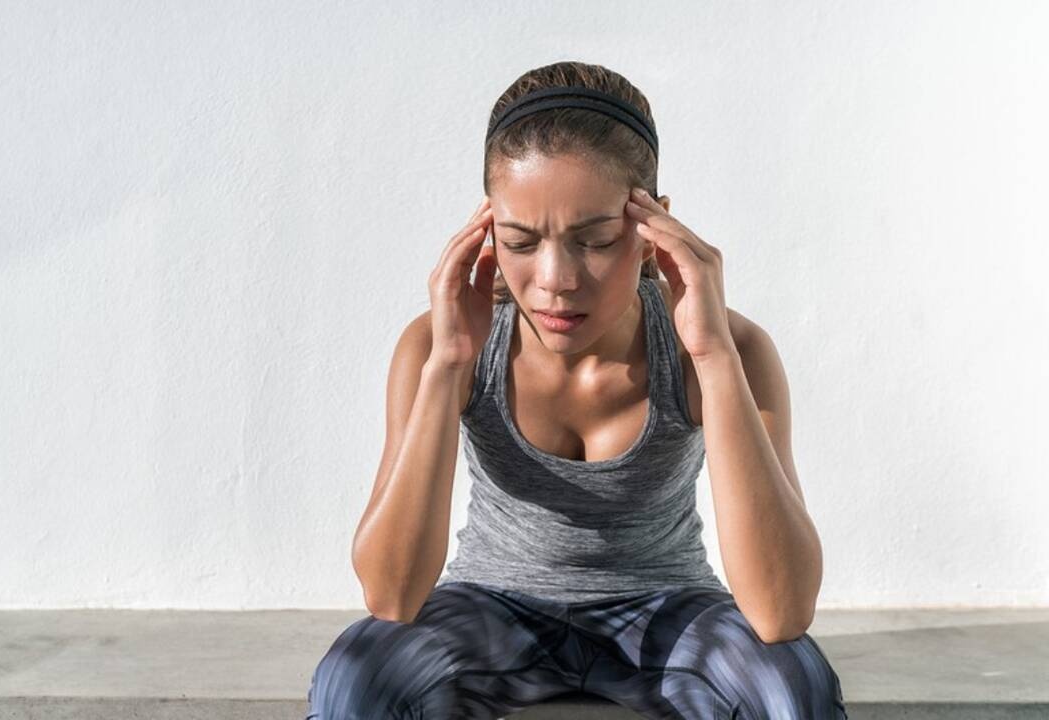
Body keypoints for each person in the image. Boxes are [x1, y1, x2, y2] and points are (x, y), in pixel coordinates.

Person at [307, 60, 848, 719]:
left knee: (792, 685)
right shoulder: (438, 344)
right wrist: (449, 363)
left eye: (594, 240)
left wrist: (712, 354)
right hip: (490, 608)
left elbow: (781, 610)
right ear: (487, 233)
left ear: (652, 230)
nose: (556, 279)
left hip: (669, 612)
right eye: (520, 241)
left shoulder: (729, 347)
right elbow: (391, 597)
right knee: (353, 679)